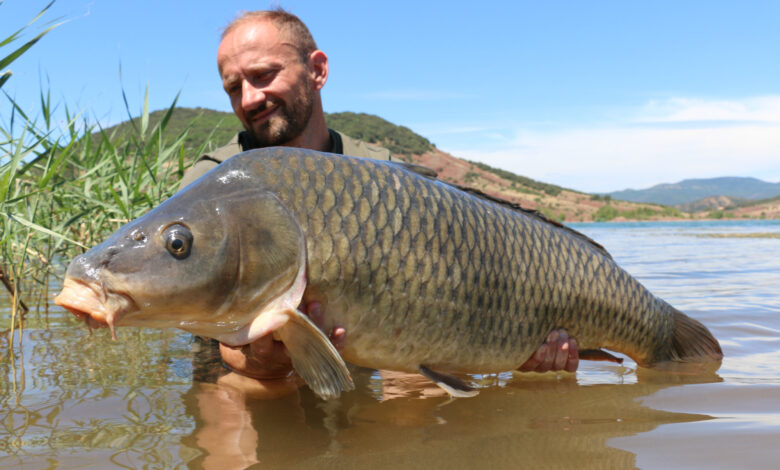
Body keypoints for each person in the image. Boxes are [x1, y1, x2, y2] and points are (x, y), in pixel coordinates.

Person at [181, 9, 579, 395]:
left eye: (264, 76)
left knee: (416, 383)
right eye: (234, 87)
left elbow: (459, 295)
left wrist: (518, 348)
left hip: (367, 364)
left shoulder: (383, 174)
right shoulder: (212, 185)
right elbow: (210, 334)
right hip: (244, 371)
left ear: (317, 70)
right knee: (234, 414)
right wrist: (261, 368)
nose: (249, 98)